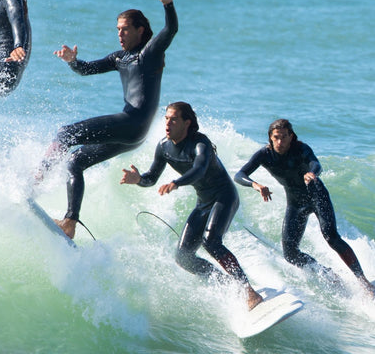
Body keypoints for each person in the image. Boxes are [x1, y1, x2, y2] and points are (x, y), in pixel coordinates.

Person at [35, 0, 178, 239]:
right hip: (132, 136)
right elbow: (87, 69)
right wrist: (72, 61)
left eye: (125, 29)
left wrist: (168, 4)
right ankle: (70, 222)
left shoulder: (150, 53)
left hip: (132, 123)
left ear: (141, 31)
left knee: (65, 134)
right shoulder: (118, 58)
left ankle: (35, 180)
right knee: (75, 161)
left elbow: (170, 30)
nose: (119, 34)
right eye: (117, 30)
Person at [121, 102, 263, 310]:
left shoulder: (200, 144)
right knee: (183, 257)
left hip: (224, 195)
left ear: (187, 123)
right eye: (166, 119)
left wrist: (176, 183)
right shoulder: (163, 147)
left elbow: (199, 169)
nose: (168, 123)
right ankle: (226, 284)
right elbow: (151, 177)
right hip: (204, 201)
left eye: (174, 119)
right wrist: (138, 179)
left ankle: (248, 291)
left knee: (211, 241)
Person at [234, 119, 374, 297]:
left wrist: (312, 173)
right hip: (295, 202)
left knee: (331, 237)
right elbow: (239, 175)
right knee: (290, 254)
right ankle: (328, 274)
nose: (280, 141)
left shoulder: (301, 149)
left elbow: (316, 164)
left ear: (291, 137)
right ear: (270, 137)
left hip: (316, 195)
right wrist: (255, 185)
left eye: (284, 137)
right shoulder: (264, 154)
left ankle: (364, 282)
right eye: (276, 137)